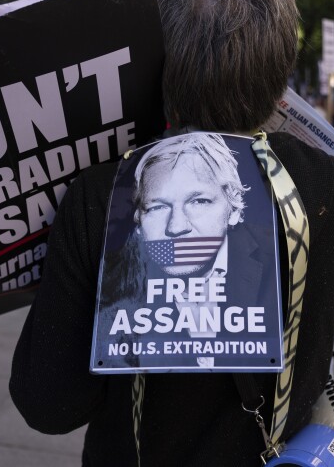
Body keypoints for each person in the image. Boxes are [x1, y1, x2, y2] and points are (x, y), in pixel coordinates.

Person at [10, 0, 334, 466]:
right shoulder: (330, 185)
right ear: (281, 75)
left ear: (160, 63)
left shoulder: (103, 193)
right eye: (161, 209)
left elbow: (50, 403)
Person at [95, 133, 275, 370]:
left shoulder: (279, 259)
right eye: (158, 207)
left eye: (198, 201)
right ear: (138, 220)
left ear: (232, 209)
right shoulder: (111, 280)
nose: (176, 227)